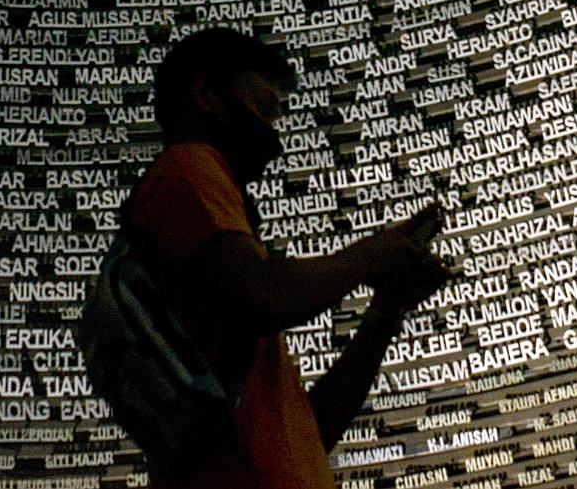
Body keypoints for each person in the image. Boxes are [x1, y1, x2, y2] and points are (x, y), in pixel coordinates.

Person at [124, 26, 452, 489]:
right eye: (262, 109)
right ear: (205, 95)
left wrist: (386, 310)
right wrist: (377, 250)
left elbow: (308, 437)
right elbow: (265, 296)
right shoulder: (188, 169)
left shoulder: (224, 308)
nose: (273, 137)